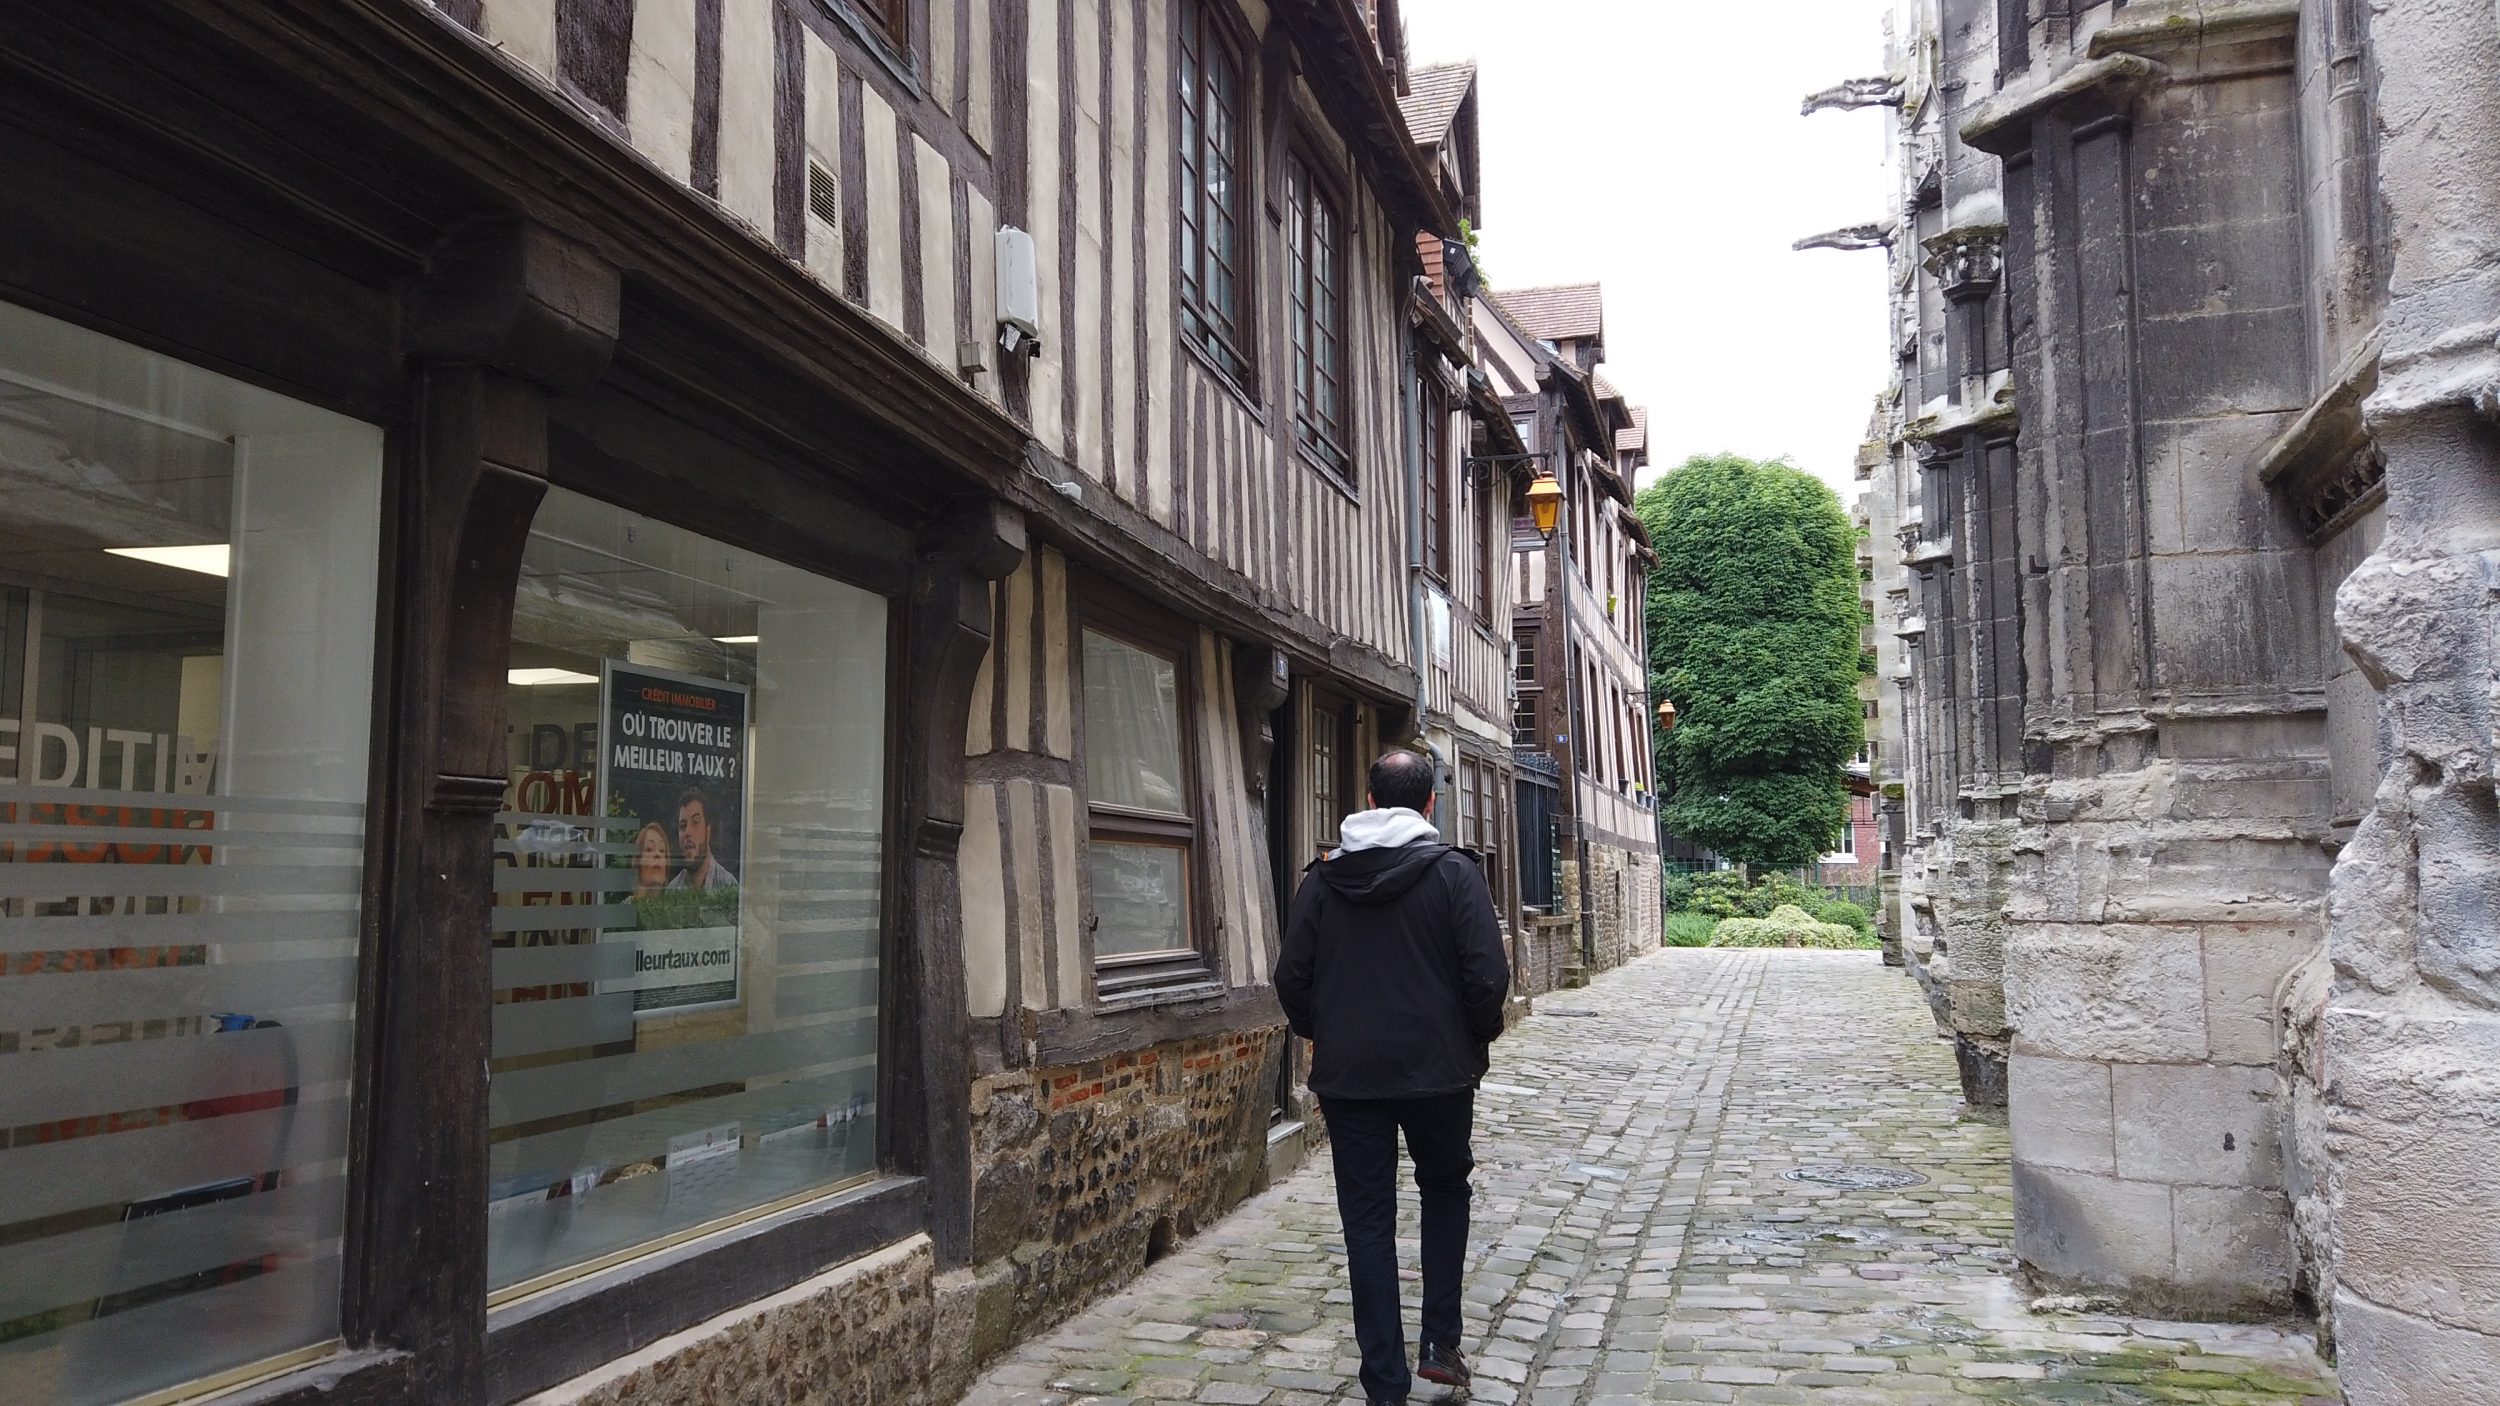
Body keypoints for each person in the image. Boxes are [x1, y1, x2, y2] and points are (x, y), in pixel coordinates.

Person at [1273, 749, 1509, 1406]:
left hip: (1351, 1077)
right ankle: (1439, 1344)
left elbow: (1291, 976)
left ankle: (1383, 1382)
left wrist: (1326, 1031)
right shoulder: (1455, 875)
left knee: (1367, 1219)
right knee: (1445, 1191)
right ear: (1430, 803)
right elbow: (1487, 976)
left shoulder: (1323, 880)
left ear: (1371, 801)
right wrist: (1475, 1036)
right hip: (1440, 1072)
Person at [665, 788, 737, 891]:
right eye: (683, 825)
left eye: (695, 822)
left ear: (708, 831)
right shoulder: (672, 890)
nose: (687, 832)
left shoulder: (728, 885)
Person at [629, 821, 673, 900]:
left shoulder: (674, 906)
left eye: (662, 850)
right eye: (649, 849)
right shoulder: (625, 906)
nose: (657, 854)